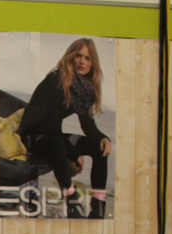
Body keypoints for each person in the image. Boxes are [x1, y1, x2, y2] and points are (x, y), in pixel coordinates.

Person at [17, 37, 112, 219]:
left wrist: (102, 138)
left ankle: (98, 206)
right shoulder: (56, 80)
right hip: (33, 136)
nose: (82, 61)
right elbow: (48, 125)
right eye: (78, 56)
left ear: (92, 63)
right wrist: (74, 154)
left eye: (87, 58)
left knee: (98, 148)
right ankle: (71, 199)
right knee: (58, 143)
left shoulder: (83, 90)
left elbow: (87, 124)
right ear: (71, 57)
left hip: (52, 136)